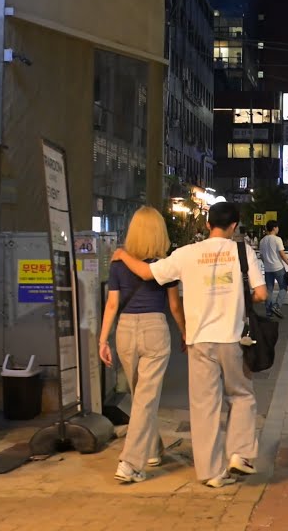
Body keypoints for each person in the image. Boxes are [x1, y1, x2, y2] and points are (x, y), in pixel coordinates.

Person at [113, 202, 268, 489]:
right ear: (234, 226)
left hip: (199, 340)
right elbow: (261, 293)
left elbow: (148, 274)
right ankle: (240, 453)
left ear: (208, 225)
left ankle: (211, 473)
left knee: (204, 406)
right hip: (234, 337)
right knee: (242, 395)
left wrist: (122, 255)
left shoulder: (185, 254)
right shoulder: (242, 252)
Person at [98, 207, 186, 484]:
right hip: (154, 330)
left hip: (124, 331)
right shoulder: (165, 264)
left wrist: (103, 339)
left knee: (141, 397)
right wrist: (185, 333)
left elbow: (112, 303)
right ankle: (129, 463)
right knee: (145, 400)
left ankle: (152, 449)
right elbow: (174, 305)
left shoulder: (118, 263)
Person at [259, 220, 288, 319]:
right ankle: (276, 306)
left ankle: (268, 312)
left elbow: (262, 256)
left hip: (268, 269)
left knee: (269, 290)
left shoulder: (262, 241)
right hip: (278, 267)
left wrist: (266, 264)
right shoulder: (277, 239)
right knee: (283, 287)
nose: (278, 229)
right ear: (274, 228)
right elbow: (282, 254)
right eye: (277, 227)